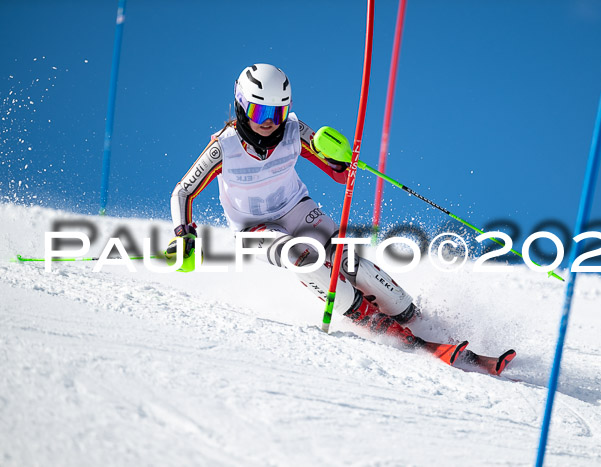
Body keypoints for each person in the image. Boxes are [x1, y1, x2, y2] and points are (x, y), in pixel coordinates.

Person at [166, 63, 514, 375]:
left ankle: (425, 327)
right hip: (252, 228)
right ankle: (384, 327)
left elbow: (336, 170)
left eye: (277, 111)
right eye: (259, 111)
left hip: (296, 208)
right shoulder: (222, 147)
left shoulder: (292, 130)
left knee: (350, 264)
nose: (269, 121)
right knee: (300, 255)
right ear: (242, 106)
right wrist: (184, 233)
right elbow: (182, 192)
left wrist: (343, 159)